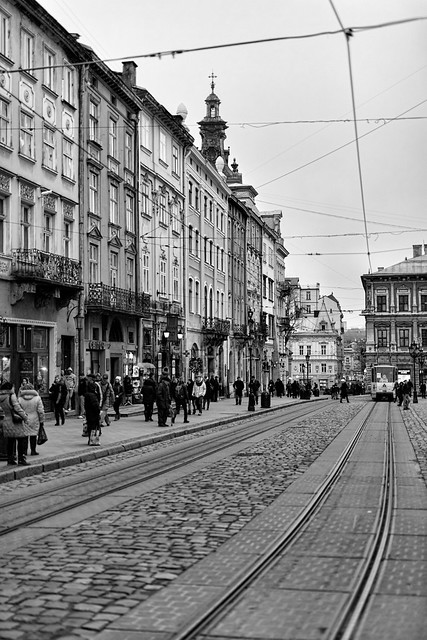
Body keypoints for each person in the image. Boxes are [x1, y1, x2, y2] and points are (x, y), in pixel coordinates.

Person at [0, 380, 30, 465]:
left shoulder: (1, 396)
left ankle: (10, 459)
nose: (14, 388)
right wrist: (25, 417)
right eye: (13, 387)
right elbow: (17, 408)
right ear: (10, 388)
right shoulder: (11, 396)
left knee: (10, 441)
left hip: (6, 419)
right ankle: (21, 459)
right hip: (15, 420)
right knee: (22, 439)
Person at [18, 382, 45, 456]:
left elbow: (18, 409)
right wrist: (42, 420)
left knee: (25, 436)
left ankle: (24, 451)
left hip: (24, 418)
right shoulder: (37, 398)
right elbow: (40, 411)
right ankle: (33, 450)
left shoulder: (20, 399)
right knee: (33, 435)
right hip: (35, 418)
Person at [84, 380, 101, 444]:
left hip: (89, 413)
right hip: (94, 414)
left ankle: (90, 439)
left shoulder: (87, 395)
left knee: (90, 426)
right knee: (94, 427)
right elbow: (95, 405)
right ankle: (93, 440)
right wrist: (98, 411)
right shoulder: (93, 395)